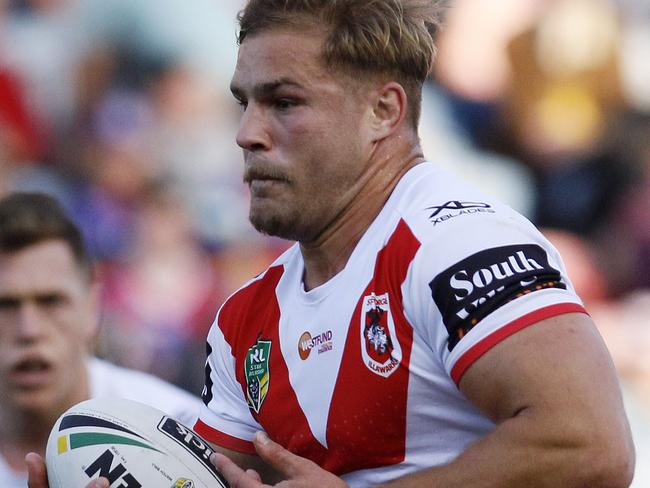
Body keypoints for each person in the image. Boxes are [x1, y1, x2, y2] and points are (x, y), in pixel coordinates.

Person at [30, 0, 635, 487]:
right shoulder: (243, 322)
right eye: (244, 104)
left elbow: (590, 445)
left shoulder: (457, 243)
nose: (246, 135)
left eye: (284, 102)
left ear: (383, 110)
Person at [0, 192, 203, 487]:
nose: (29, 330)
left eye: (51, 301)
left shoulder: (177, 431)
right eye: (5, 305)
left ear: (92, 306)